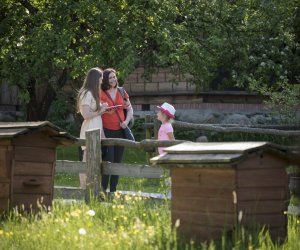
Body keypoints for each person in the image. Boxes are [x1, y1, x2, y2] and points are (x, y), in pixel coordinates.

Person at [100, 68, 133, 193]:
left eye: (114, 77)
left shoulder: (122, 91)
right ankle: (103, 191)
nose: (113, 79)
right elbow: (98, 112)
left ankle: (113, 191)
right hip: (107, 131)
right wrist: (105, 111)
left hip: (120, 131)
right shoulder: (100, 93)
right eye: (110, 77)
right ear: (105, 80)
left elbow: (130, 109)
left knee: (117, 162)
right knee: (108, 161)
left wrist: (126, 122)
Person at [76, 67, 108, 188]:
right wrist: (100, 111)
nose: (101, 81)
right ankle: (84, 187)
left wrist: (102, 109)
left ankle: (93, 187)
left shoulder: (93, 93)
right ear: (95, 79)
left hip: (96, 129)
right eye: (100, 78)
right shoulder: (86, 93)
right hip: (90, 129)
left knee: (95, 159)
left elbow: (95, 114)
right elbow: (86, 114)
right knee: (87, 159)